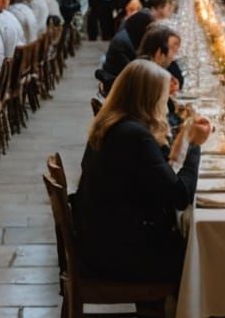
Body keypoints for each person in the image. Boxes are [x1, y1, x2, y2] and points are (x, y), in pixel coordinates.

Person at [73, 59, 210, 282]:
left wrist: (181, 139)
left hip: (98, 238)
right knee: (203, 252)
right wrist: (195, 145)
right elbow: (180, 196)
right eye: (163, 97)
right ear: (149, 99)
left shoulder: (113, 122)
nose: (166, 106)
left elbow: (153, 168)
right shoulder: (134, 135)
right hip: (119, 254)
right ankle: (216, 312)